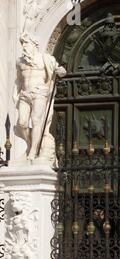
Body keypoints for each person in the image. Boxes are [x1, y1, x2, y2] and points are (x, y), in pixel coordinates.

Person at [14, 33, 67, 163]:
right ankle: (31, 144)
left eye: (26, 43)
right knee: (22, 123)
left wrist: (60, 71)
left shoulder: (45, 59)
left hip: (40, 93)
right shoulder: (20, 62)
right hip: (25, 94)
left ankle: (33, 151)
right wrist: (15, 94)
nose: (24, 46)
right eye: (23, 44)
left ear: (34, 44)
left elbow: (62, 71)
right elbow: (19, 80)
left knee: (36, 121)